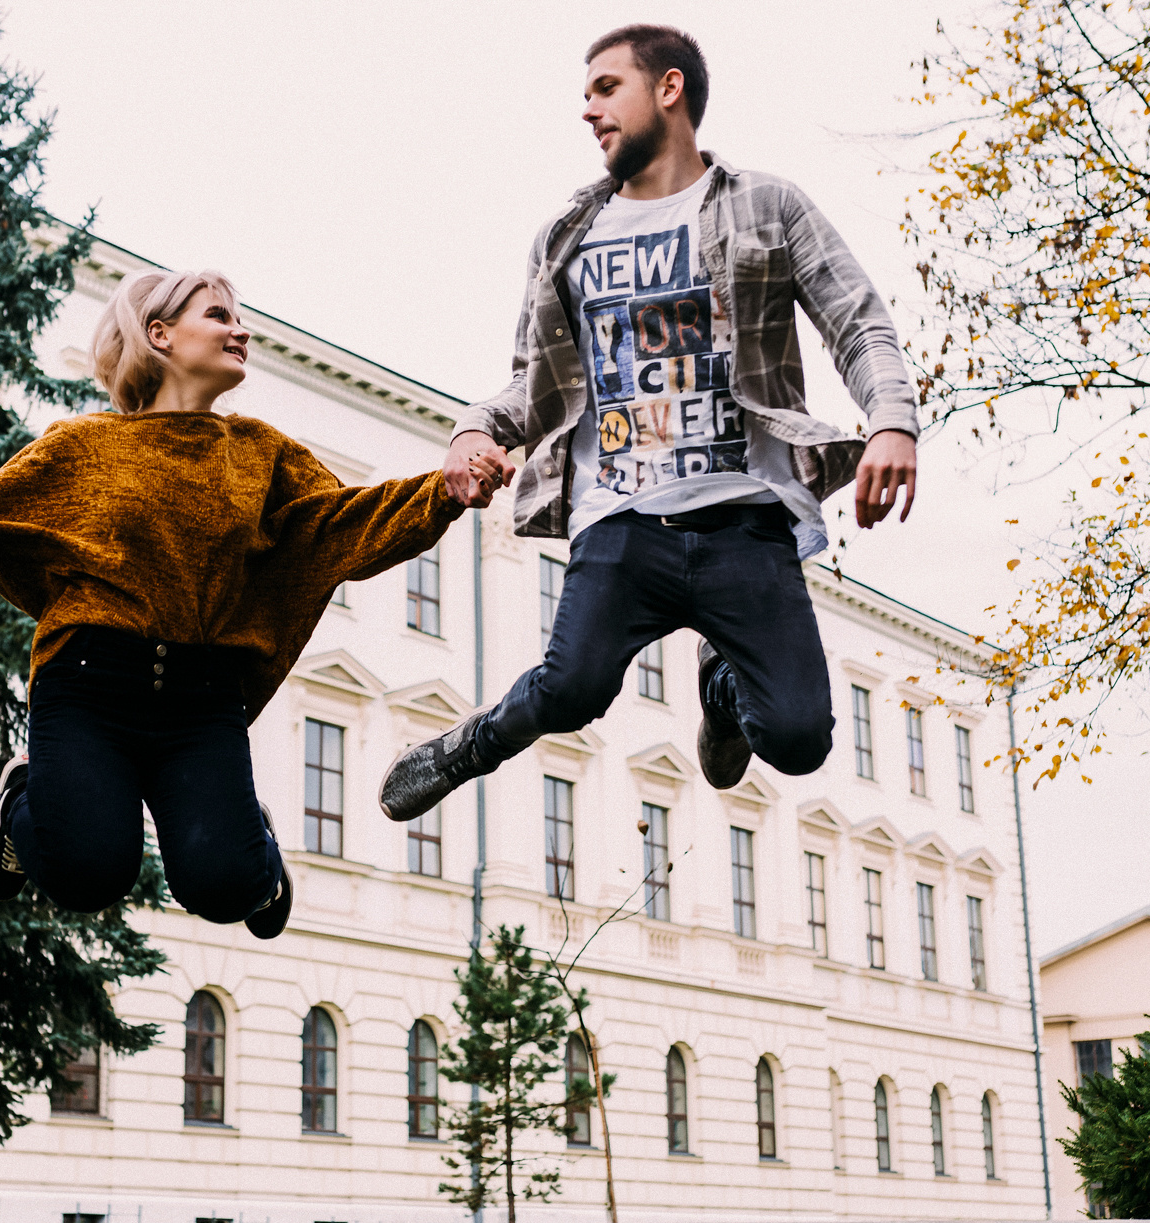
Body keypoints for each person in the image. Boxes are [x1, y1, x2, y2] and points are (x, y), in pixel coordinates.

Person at [0, 270, 464, 938]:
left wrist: (444, 491)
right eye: (219, 315)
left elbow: (345, 524)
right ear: (160, 334)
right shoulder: (84, 448)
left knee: (227, 885)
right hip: (90, 685)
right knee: (88, 872)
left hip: (200, 704)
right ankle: (20, 805)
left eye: (239, 319)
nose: (241, 330)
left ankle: (248, 841)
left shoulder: (261, 454)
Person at [381, 24, 919, 823]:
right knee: (572, 689)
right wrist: (474, 430)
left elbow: (859, 321)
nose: (590, 111)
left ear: (669, 89)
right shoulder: (565, 240)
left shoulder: (767, 205)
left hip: (745, 519)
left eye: (606, 88)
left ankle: (722, 683)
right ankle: (467, 747)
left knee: (800, 738)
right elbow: (536, 383)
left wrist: (891, 423)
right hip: (622, 524)